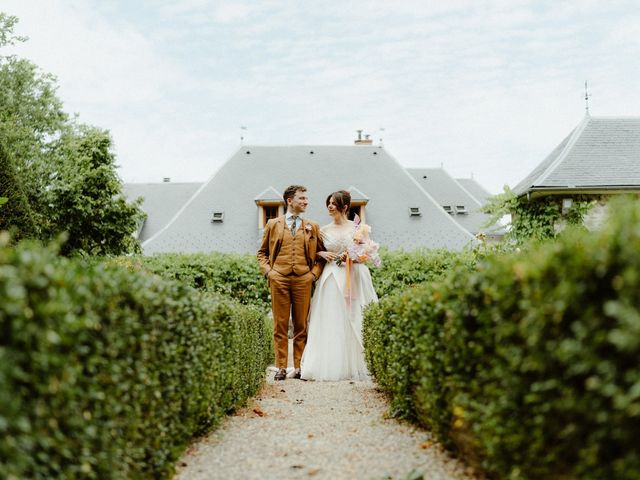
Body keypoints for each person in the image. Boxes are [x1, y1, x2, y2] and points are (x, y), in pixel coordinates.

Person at [301, 190, 378, 381]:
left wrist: (355, 256)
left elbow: (366, 254)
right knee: (332, 317)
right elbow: (312, 252)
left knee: (356, 315)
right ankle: (331, 364)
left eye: (334, 203)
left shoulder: (359, 228)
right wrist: (320, 254)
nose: (329, 206)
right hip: (332, 277)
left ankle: (360, 363)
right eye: (328, 203)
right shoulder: (323, 230)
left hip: (355, 276)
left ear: (344, 207)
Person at [257, 185, 325, 381]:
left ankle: (299, 366)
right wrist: (269, 272)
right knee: (280, 324)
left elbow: (320, 254)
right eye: (302, 198)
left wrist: (313, 275)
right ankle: (281, 367)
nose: (306, 201)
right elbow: (261, 253)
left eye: (306, 198)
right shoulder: (273, 224)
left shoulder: (313, 226)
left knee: (301, 325)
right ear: (290, 201)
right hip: (279, 279)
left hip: (304, 280)